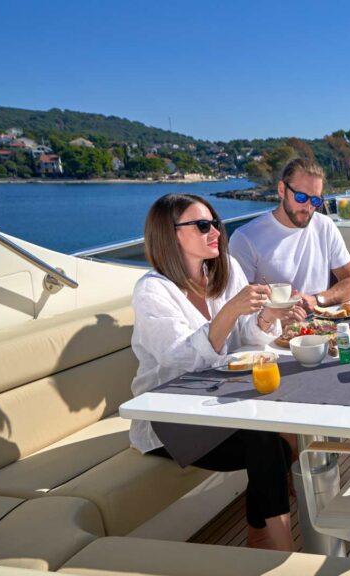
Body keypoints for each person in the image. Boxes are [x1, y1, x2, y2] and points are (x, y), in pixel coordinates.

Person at [129, 193, 305, 551]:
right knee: (265, 439)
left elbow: (245, 341)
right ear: (169, 233)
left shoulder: (222, 268)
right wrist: (229, 312)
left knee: (285, 429)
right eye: (203, 226)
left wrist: (269, 316)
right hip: (171, 418)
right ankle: (276, 543)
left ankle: (264, 537)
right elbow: (180, 359)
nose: (216, 233)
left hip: (220, 403)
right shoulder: (152, 291)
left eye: (216, 224)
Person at [230, 157, 350, 313]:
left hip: (320, 324)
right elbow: (241, 307)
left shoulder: (325, 226)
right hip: (272, 333)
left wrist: (318, 300)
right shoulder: (245, 238)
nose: (308, 207)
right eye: (301, 197)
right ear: (281, 189)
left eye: (315, 200)